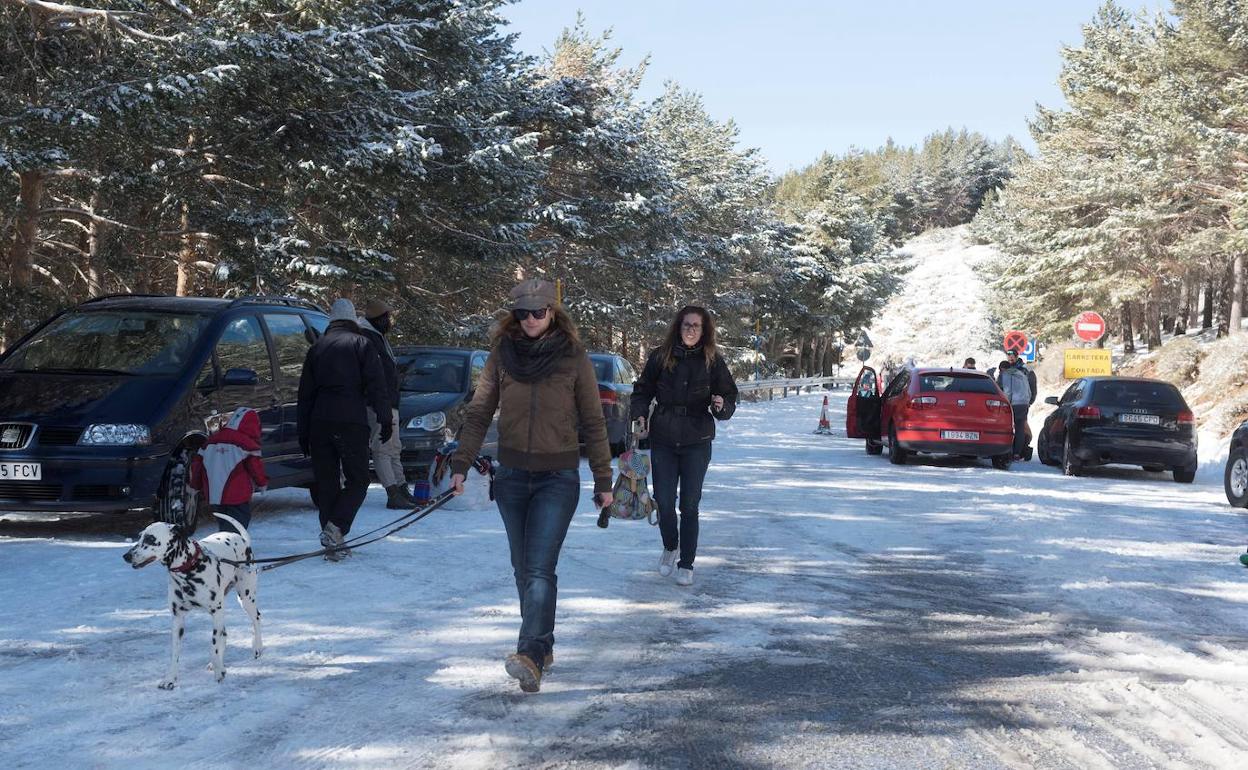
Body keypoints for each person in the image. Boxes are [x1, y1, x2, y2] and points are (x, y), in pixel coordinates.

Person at [448, 279, 613, 694]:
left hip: (558, 478)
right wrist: (461, 463)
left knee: (539, 569)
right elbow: (480, 410)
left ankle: (530, 653)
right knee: (523, 569)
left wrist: (604, 480)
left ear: (553, 312)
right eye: (522, 313)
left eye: (538, 312)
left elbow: (594, 422)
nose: (531, 320)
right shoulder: (502, 355)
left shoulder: (574, 357)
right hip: (513, 477)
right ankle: (543, 645)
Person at [631, 305, 738, 587]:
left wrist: (721, 406)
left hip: (697, 440)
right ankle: (670, 546)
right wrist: (639, 414)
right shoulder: (661, 356)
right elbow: (642, 390)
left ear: (704, 331)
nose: (690, 330)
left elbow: (729, 396)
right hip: (664, 437)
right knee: (665, 501)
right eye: (686, 325)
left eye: (696, 326)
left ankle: (686, 562)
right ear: (678, 327)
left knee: (689, 505)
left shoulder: (712, 360)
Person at [297, 298, 391, 561]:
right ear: (352, 319)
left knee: (326, 482)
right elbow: (377, 385)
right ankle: (336, 528)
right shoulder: (362, 344)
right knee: (358, 480)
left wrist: (303, 431)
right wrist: (386, 419)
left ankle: (333, 540)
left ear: (331, 320)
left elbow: (305, 394)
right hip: (351, 420)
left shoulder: (317, 348)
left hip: (319, 422)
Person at [358, 297, 415, 510]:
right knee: (382, 447)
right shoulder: (368, 338)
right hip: (378, 404)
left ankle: (401, 488)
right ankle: (392, 492)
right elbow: (374, 376)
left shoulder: (378, 337)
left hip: (390, 402)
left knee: (394, 448)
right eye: (387, 317)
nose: (389, 321)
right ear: (378, 319)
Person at [189, 407, 268, 534]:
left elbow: (197, 466)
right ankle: (233, 548)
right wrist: (262, 483)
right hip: (237, 495)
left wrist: (195, 485)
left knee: (224, 522)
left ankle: (224, 546)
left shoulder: (210, 442)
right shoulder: (247, 445)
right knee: (238, 523)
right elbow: (255, 467)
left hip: (214, 494)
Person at [997, 353, 1034, 460]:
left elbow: (1007, 391)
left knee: (1008, 427)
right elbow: (1029, 390)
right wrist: (1028, 401)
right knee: (1020, 428)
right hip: (1024, 404)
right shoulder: (1022, 374)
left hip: (1013, 404)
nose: (1000, 372)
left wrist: (1005, 403)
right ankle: (1017, 453)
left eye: (1000, 370)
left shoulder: (1006, 375)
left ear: (1003, 369)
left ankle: (1008, 451)